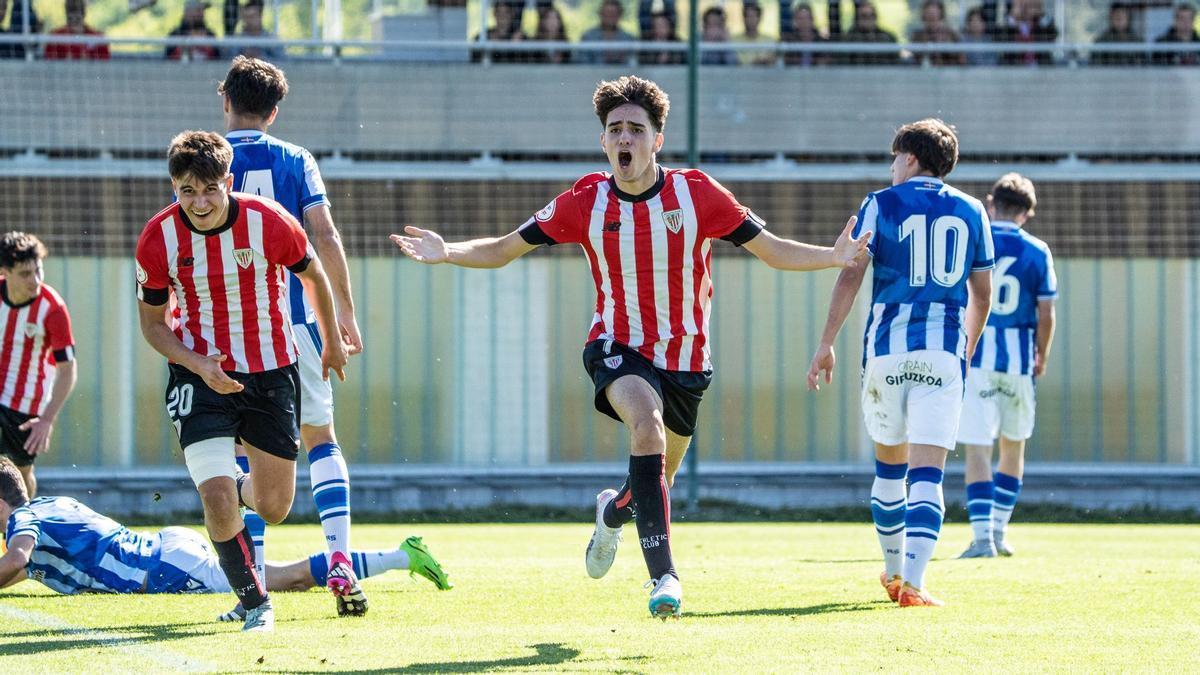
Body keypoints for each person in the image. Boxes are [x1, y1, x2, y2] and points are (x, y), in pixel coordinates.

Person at [390, 76, 869, 618]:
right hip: (616, 346)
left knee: (653, 480)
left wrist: (833, 257)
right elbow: (504, 249)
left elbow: (773, 250)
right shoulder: (584, 199)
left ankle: (612, 514)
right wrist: (447, 250)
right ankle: (664, 578)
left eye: (636, 130)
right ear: (603, 142)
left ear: (657, 139)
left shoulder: (697, 193)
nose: (625, 139)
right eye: (614, 129)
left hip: (687, 361)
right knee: (645, 425)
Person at [135, 131, 348, 631]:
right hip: (199, 374)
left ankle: (229, 485)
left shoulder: (269, 221)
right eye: (187, 191)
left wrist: (333, 340)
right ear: (174, 188)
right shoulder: (157, 238)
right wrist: (198, 362)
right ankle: (255, 603)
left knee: (274, 507)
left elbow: (313, 276)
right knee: (216, 498)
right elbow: (152, 325)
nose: (200, 201)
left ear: (227, 182)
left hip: (272, 370)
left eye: (209, 189)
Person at [806, 119, 993, 607]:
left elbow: (850, 275)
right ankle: (914, 581)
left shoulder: (879, 203)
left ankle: (892, 572)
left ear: (909, 158)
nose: (891, 167)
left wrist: (826, 342)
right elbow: (982, 293)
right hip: (943, 352)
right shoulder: (973, 210)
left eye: (894, 158)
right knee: (928, 472)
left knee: (889, 468)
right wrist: (966, 346)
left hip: (886, 353)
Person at [218, 56, 365, 617]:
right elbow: (323, 235)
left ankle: (253, 585)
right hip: (300, 323)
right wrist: (344, 313)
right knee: (321, 436)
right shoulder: (296, 158)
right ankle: (340, 558)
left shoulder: (208, 160)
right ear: (275, 111)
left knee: (242, 453)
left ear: (224, 99)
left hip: (234, 332)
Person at [0, 458, 451, 597]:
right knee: (268, 572)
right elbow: (25, 569)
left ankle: (401, 555)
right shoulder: (49, 504)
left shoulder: (24, 521)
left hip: (162, 567)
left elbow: (17, 559)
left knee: (283, 579)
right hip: (168, 545)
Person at [956, 173, 1055, 559]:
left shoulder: (974, 242)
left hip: (976, 359)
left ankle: (982, 539)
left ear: (991, 203)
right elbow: (1046, 312)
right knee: (1013, 447)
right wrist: (1041, 353)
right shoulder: (1037, 250)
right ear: (1027, 214)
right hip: (1017, 363)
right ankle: (998, 531)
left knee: (978, 449)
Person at [0, 232, 77, 501]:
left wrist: (46, 419)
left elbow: (68, 369)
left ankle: (22, 528)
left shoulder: (52, 308)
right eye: (25, 274)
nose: (35, 280)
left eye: (38, 270)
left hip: (25, 403)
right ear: (5, 272)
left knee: (18, 473)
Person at [994, 0, 1057, 66]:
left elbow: (1053, 35)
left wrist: (1040, 14)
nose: (1025, 8)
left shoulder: (1042, 23)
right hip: (1013, 69)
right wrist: (1013, 17)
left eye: (1030, 5)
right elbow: (998, 39)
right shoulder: (1008, 23)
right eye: (1021, 4)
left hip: (1040, 68)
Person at [43, 0, 110, 60]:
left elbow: (104, 65)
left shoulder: (98, 37)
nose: (74, 23)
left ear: (83, 15)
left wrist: (89, 62)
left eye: (77, 19)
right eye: (70, 19)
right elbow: (49, 64)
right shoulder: (55, 37)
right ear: (66, 15)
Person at [839, 1, 900, 65]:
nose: (868, 19)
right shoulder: (849, 38)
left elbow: (895, 63)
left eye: (872, 15)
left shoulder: (888, 37)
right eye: (864, 16)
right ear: (858, 18)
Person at [578, 0, 637, 65]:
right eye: (607, 14)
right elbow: (583, 63)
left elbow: (632, 63)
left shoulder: (629, 39)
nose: (610, 17)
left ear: (619, 15)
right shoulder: (588, 37)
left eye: (613, 14)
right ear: (601, 14)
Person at [909, 0, 964, 66]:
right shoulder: (917, 35)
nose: (932, 16)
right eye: (929, 13)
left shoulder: (951, 34)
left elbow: (961, 59)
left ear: (941, 13)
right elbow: (913, 57)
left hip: (948, 73)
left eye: (934, 13)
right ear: (924, 14)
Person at [1092, 2, 1143, 66]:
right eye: (1116, 17)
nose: (1119, 20)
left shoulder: (1137, 41)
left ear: (1128, 19)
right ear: (1110, 18)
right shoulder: (1101, 40)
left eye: (1123, 17)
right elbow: (1095, 66)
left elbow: (1142, 66)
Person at [781, 2, 829, 67]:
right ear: (795, 21)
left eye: (807, 18)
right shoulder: (789, 41)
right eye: (800, 19)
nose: (804, 22)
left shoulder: (821, 42)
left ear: (812, 19)